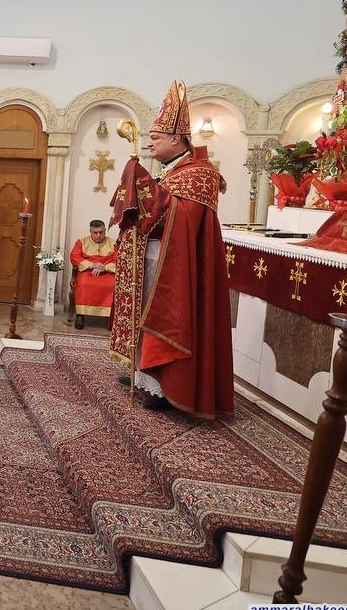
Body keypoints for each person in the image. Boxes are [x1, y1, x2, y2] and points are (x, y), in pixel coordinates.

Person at [108, 80, 233, 416]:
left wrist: (144, 184)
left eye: (156, 137)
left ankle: (165, 385)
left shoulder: (199, 174)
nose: (150, 142)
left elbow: (181, 216)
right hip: (152, 256)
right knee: (143, 313)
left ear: (176, 138)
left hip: (176, 264)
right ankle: (143, 372)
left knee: (164, 315)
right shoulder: (170, 172)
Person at [71, 220, 117, 330]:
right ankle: (80, 315)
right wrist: (92, 265)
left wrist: (104, 267)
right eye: (95, 232)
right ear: (90, 231)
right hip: (88, 271)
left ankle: (110, 317)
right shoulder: (81, 242)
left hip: (107, 272)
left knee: (112, 285)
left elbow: (118, 259)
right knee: (84, 284)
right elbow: (75, 257)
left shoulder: (113, 243)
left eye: (101, 232)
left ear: (105, 230)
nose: (98, 235)